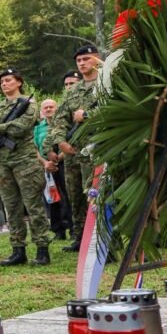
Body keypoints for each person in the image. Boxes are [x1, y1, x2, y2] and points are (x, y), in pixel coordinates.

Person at [0, 68, 52, 267]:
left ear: (19, 82)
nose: (4, 84)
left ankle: (42, 248)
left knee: (33, 206)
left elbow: (24, 125)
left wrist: (0, 128)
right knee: (11, 207)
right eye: (2, 81)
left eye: (8, 80)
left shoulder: (28, 103)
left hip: (25, 161)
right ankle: (18, 249)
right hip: (3, 164)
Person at [46, 54, 101, 252]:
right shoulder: (73, 91)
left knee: (96, 195)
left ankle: (104, 241)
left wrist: (87, 115)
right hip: (72, 152)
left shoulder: (106, 83)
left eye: (86, 58)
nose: (82, 63)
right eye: (78, 60)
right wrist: (60, 141)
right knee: (75, 196)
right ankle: (79, 237)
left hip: (97, 149)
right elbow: (60, 119)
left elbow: (116, 110)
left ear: (97, 59)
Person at [35, 98, 69, 240]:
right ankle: (58, 230)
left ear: (57, 108)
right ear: (42, 111)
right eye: (46, 107)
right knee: (52, 197)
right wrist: (45, 163)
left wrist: (60, 157)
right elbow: (35, 148)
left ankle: (73, 227)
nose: (48, 109)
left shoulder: (64, 123)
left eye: (51, 107)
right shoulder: (38, 128)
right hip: (47, 165)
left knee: (68, 195)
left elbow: (70, 142)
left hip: (64, 162)